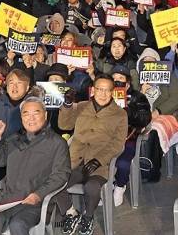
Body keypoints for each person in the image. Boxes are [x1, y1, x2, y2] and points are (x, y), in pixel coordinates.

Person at [0, 96, 71, 235]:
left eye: (36, 113)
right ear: (21, 117)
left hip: (34, 203)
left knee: (18, 225)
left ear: (45, 115)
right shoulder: (13, 139)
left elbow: (61, 175)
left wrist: (38, 195)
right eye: (26, 114)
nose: (31, 118)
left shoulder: (57, 143)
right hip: (6, 200)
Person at [55, 75, 128, 235]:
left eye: (107, 90)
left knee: (92, 187)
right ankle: (71, 213)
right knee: (55, 182)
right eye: (100, 89)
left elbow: (117, 143)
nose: (103, 94)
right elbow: (64, 125)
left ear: (112, 92)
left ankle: (88, 217)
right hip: (74, 160)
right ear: (93, 90)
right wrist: (67, 105)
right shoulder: (81, 106)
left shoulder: (120, 114)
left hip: (99, 164)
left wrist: (99, 160)